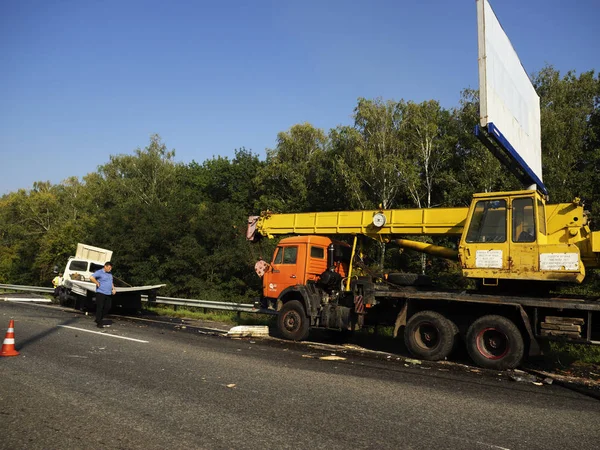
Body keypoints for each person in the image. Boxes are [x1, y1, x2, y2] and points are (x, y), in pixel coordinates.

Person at [89, 261, 116, 328]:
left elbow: (111, 282)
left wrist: (113, 288)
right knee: (100, 307)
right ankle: (99, 322)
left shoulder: (110, 273)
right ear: (105, 266)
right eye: (109, 268)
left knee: (108, 307)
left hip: (108, 293)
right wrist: (97, 283)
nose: (110, 269)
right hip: (101, 292)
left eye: (111, 268)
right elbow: (91, 277)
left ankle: (99, 318)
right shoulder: (99, 272)